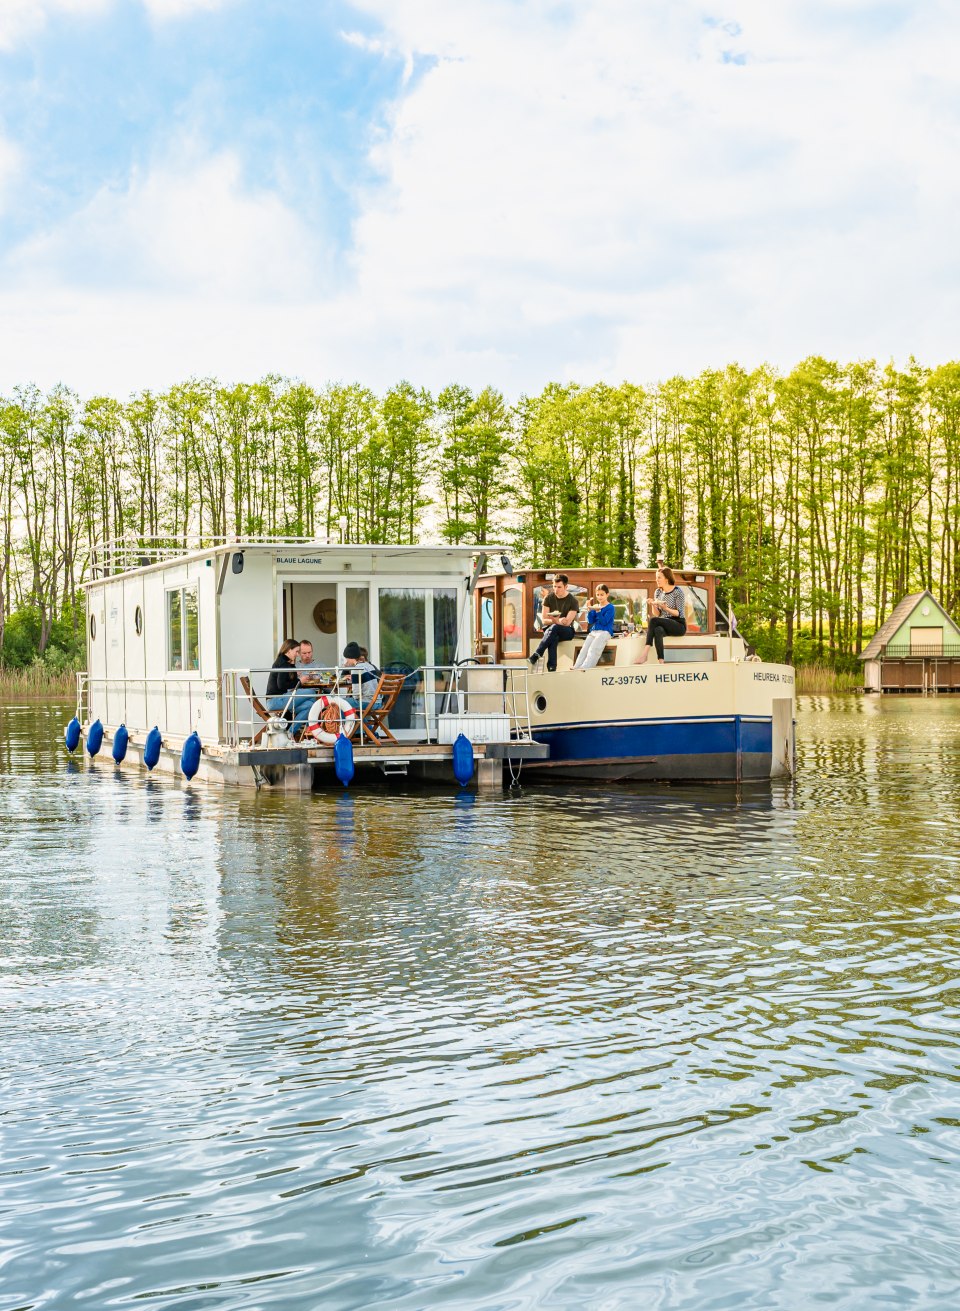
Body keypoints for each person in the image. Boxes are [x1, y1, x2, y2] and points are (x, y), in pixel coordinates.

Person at [636, 566, 687, 665]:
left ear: (666, 579)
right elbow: (658, 614)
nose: (657, 580)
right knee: (657, 630)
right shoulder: (658, 592)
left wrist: (666, 608)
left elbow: (679, 613)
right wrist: (653, 604)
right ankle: (661, 662)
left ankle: (644, 654)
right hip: (664, 622)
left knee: (654, 620)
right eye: (656, 577)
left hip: (678, 624)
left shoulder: (678, 591)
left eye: (659, 577)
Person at [528, 574, 580, 672]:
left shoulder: (573, 601)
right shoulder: (548, 598)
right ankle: (552, 668)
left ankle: (537, 653)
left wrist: (555, 622)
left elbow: (567, 622)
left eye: (559, 587)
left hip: (567, 631)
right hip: (551, 630)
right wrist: (556, 621)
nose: (556, 589)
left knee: (554, 628)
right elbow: (544, 620)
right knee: (553, 636)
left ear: (566, 587)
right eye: (554, 587)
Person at [266, 638, 316, 732]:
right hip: (275, 700)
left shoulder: (285, 662)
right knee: (312, 692)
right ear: (289, 650)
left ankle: (289, 733)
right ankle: (310, 726)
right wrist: (300, 681)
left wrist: (294, 667)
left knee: (310, 705)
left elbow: (289, 681)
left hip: (282, 699)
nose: (298, 654)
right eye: (297, 651)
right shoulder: (283, 664)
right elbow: (282, 685)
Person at [571, 584, 615, 670]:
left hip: (605, 631)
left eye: (602, 594)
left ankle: (585, 668)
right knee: (584, 649)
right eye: (598, 595)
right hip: (594, 631)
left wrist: (598, 611)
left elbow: (604, 622)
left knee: (594, 649)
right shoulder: (596, 606)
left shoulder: (610, 607)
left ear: (607, 594)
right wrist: (590, 610)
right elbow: (590, 621)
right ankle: (576, 666)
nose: (599, 597)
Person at [341, 641, 384, 711]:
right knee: (348, 705)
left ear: (350, 657)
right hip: (378, 702)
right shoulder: (369, 666)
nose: (346, 661)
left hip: (367, 702)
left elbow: (356, 695)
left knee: (339, 703)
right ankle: (362, 722)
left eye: (347, 658)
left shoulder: (356, 669)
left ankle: (349, 722)